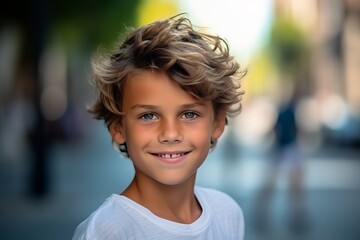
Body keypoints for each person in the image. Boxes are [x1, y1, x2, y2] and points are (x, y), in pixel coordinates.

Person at [73, 14, 246, 239]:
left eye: (189, 114)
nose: (170, 134)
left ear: (218, 123)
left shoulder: (227, 213)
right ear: (118, 128)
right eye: (148, 116)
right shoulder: (107, 231)